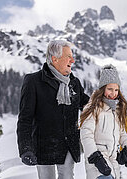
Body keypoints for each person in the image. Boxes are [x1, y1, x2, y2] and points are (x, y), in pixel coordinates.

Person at [17, 40, 90, 179]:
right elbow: (25, 119)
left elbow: (88, 106)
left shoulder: (74, 83)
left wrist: (108, 102)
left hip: (68, 143)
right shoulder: (33, 81)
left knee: (67, 176)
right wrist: (25, 149)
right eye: (68, 56)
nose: (73, 60)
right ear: (54, 59)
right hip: (44, 145)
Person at [80, 64, 127, 179]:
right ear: (103, 88)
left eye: (116, 90)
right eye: (110, 89)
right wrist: (95, 157)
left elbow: (121, 133)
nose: (113, 93)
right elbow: (86, 134)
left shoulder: (117, 110)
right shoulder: (93, 108)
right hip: (97, 163)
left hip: (112, 162)